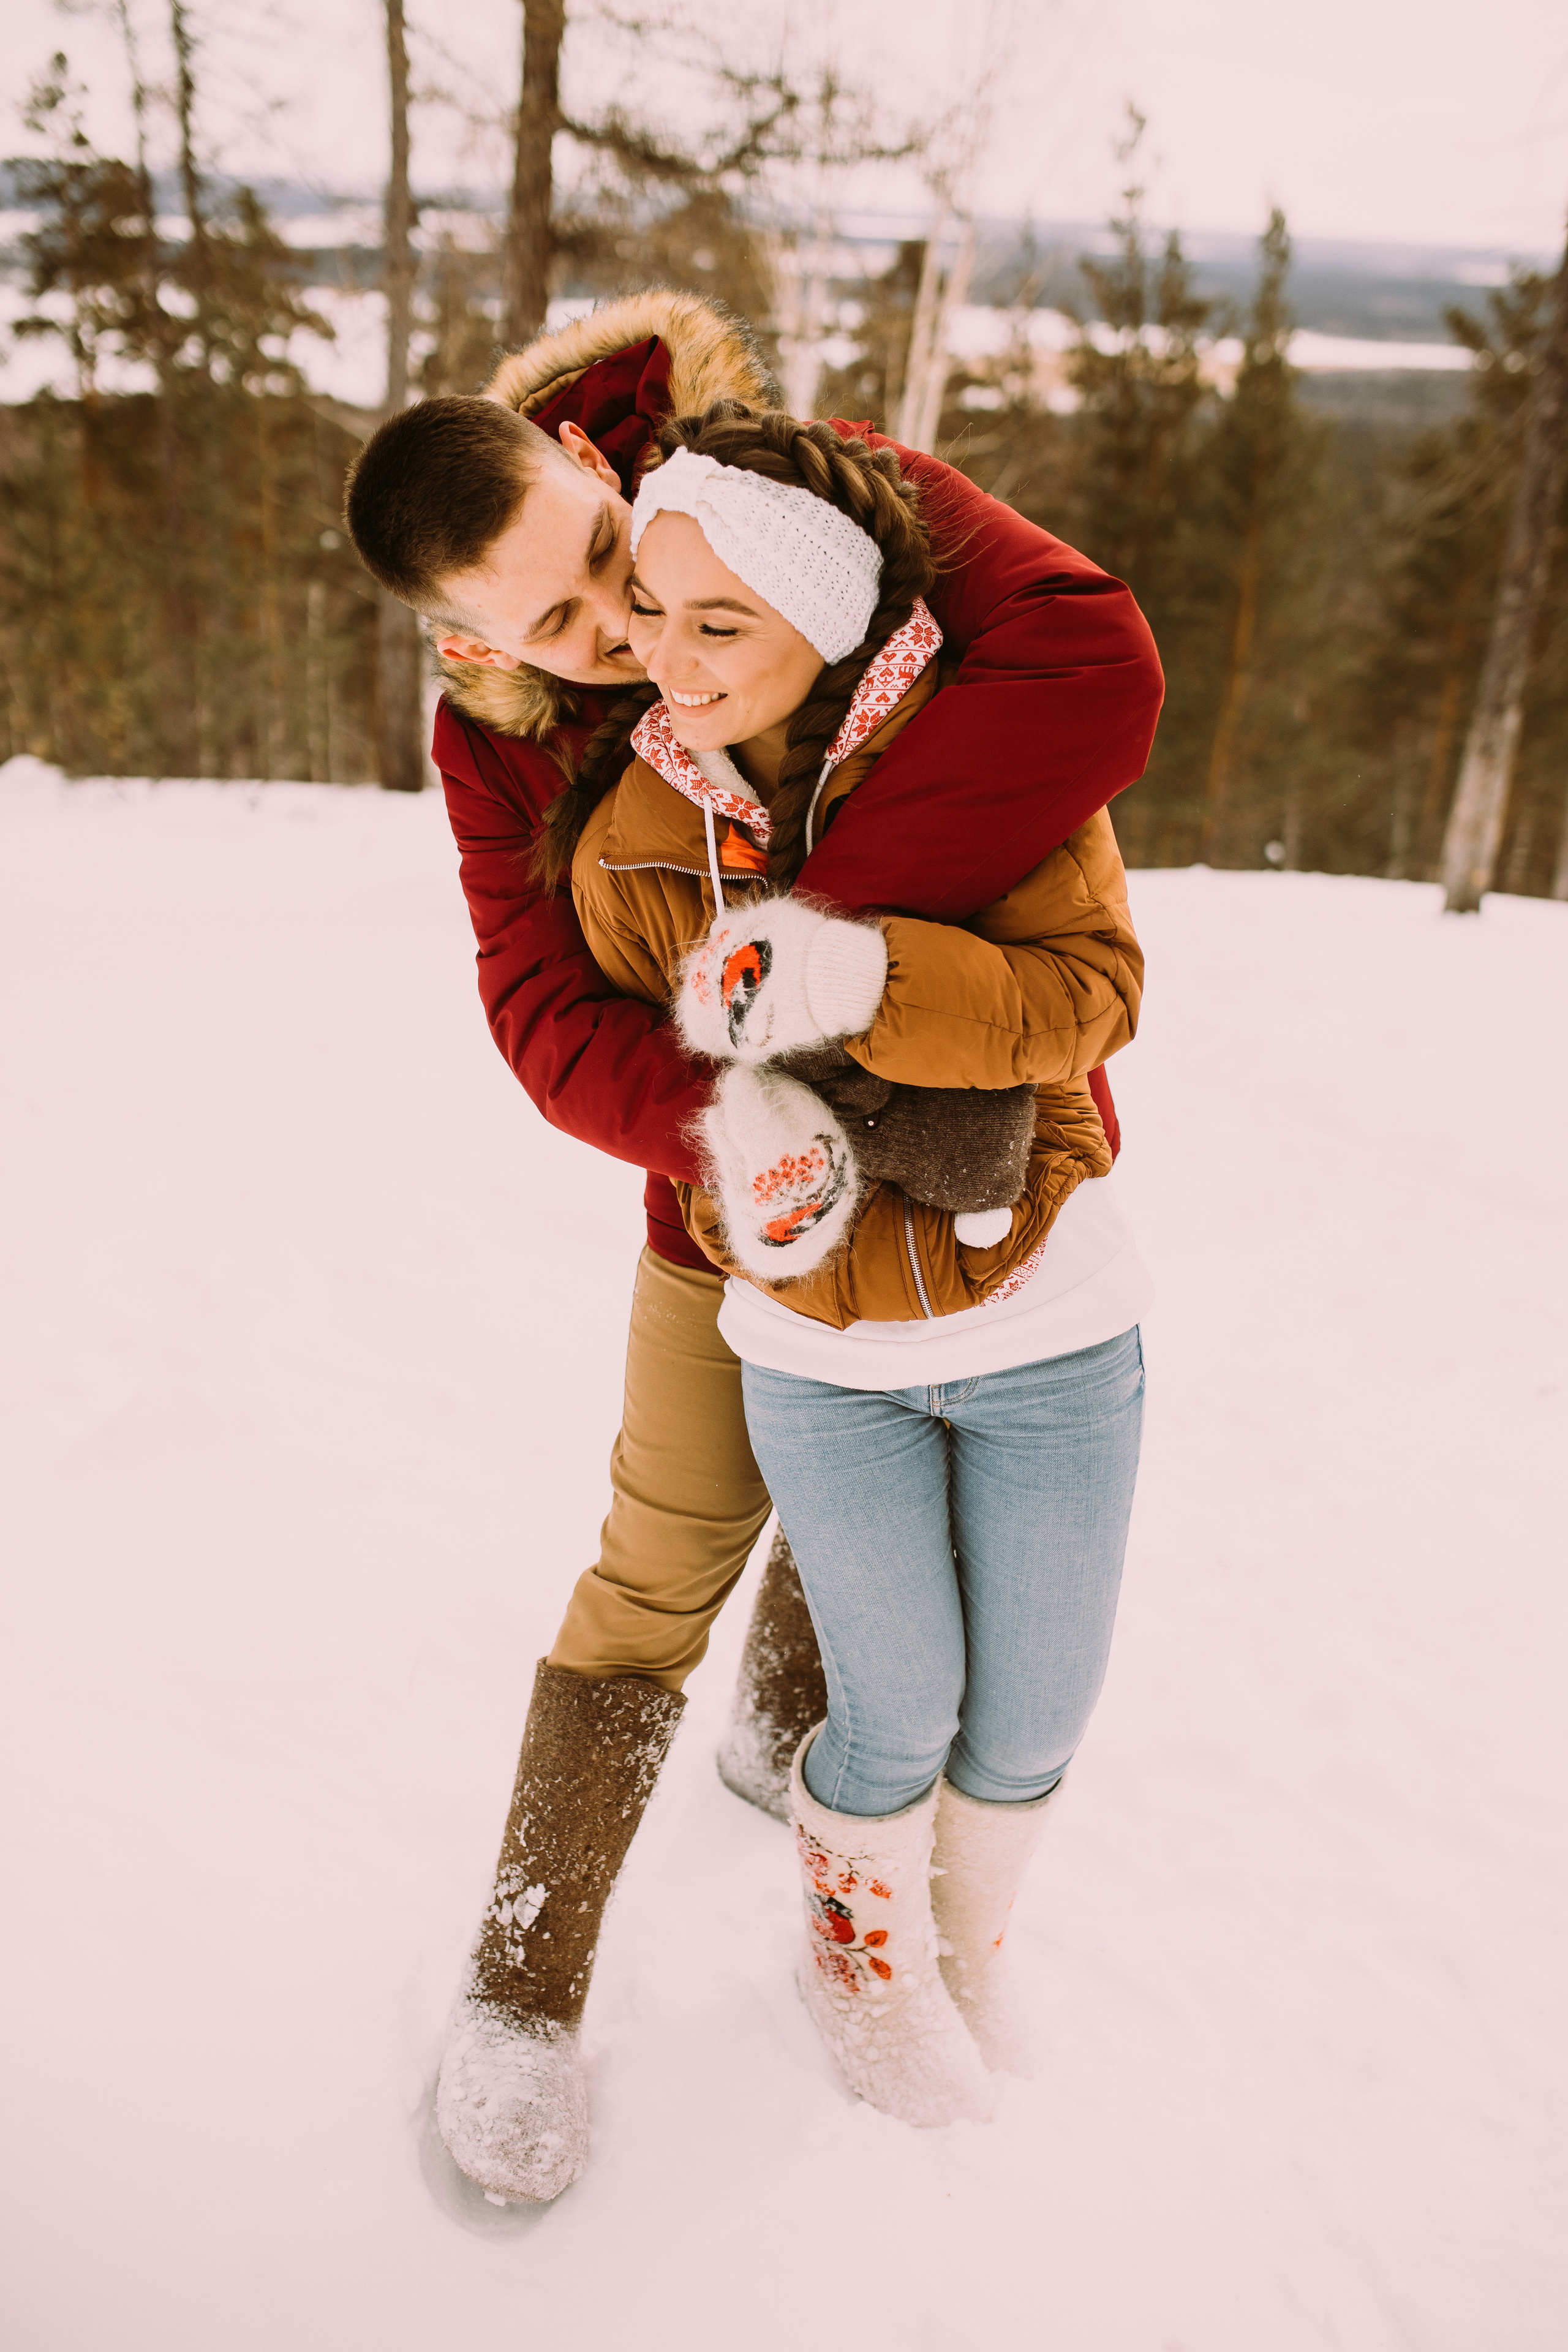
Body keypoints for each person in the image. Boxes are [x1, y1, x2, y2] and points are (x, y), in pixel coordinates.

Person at [342, 288, 1163, 2201]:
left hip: (974, 1133)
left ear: (594, 462)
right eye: (556, 627)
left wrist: (821, 964)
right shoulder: (501, 747)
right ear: (474, 645)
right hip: (735, 1199)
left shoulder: (793, 500)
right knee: (663, 1556)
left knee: (909, 1477)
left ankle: (800, 1748)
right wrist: (748, 1111)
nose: (622, 632)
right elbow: (545, 1017)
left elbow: (1083, 660)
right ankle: (521, 1988)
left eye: (612, 558)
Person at [563, 404, 1150, 2133]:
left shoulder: (990, 763)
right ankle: (861, 1960)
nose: (661, 660)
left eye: (715, 622)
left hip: (1052, 1325)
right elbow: (667, 1080)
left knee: (1032, 1722)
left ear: (829, 617)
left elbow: (1090, 1002)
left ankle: (966, 1943)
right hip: (820, 1364)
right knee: (898, 1714)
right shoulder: (631, 845)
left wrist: (867, 980)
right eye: (650, 614)